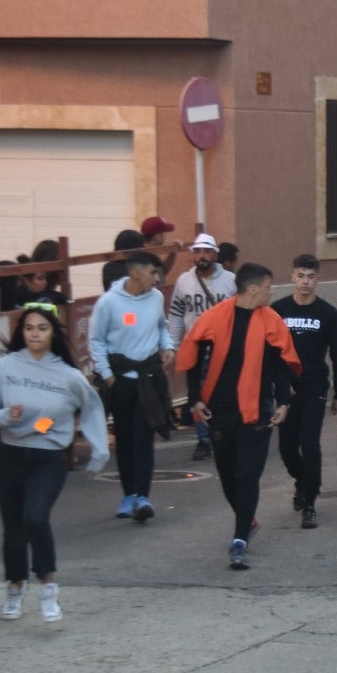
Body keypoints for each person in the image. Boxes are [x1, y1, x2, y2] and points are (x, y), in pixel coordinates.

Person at [0, 304, 109, 622]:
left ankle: (48, 587)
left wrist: (98, 451)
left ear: (53, 334)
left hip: (48, 457)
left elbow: (92, 408)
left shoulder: (68, 375)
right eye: (29, 328)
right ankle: (15, 588)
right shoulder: (6, 367)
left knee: (36, 517)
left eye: (42, 328)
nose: (35, 334)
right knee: (13, 528)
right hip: (11, 454)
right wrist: (4, 416)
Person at [178, 262, 300, 569]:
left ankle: (239, 538)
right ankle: (248, 521)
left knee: (247, 475)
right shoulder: (216, 316)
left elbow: (280, 365)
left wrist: (283, 401)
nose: (272, 292)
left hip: (257, 411)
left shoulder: (271, 320)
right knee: (229, 475)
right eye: (269, 286)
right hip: (220, 410)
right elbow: (192, 355)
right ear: (253, 288)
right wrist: (194, 399)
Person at [88, 249, 175, 524]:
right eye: (152, 272)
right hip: (121, 379)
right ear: (135, 273)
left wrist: (167, 346)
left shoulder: (156, 298)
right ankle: (129, 494)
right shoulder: (108, 303)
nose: (156, 278)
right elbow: (96, 340)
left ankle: (143, 496)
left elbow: (162, 327)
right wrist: (107, 374)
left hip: (149, 378)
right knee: (124, 439)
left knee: (144, 437)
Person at [272, 254, 337, 530]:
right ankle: (302, 481)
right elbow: (272, 354)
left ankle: (310, 502)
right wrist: (278, 387)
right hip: (286, 389)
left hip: (315, 386)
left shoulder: (326, 313)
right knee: (286, 447)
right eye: (300, 275)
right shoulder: (277, 310)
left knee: (311, 444)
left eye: (311, 276)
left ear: (318, 279)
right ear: (292, 276)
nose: (305, 281)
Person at [167, 233, 239, 461]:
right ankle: (203, 440)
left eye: (207, 251)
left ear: (215, 254)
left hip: (224, 344)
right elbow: (177, 312)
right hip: (195, 343)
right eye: (198, 252)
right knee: (197, 394)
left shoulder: (229, 280)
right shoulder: (184, 281)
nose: (202, 256)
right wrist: (173, 343)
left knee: (226, 391)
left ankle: (224, 434)